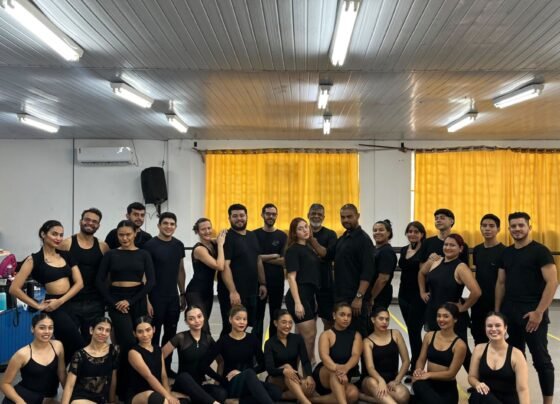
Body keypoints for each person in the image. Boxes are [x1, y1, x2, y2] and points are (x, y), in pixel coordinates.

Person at [495, 212, 558, 404]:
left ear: (529, 227)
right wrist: (497, 312)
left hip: (532, 313)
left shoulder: (541, 251)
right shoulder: (506, 253)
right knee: (514, 358)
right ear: (509, 229)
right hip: (509, 312)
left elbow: (552, 282)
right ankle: (517, 398)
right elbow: (501, 283)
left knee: (541, 360)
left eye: (521, 225)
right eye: (513, 226)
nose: (517, 229)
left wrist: (539, 312)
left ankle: (548, 402)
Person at [9, 220, 84, 363]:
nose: (58, 238)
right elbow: (14, 288)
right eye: (54, 234)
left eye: (61, 235)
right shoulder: (34, 259)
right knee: (78, 344)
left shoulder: (66, 255)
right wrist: (37, 305)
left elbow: (79, 283)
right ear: (43, 234)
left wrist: (60, 301)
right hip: (53, 307)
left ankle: (60, 375)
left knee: (67, 348)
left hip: (68, 303)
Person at [95, 220, 155, 399]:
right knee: (127, 342)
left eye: (128, 234)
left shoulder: (144, 254)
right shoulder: (111, 254)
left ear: (135, 233)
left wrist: (131, 301)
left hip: (137, 299)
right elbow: (99, 280)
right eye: (121, 235)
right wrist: (114, 302)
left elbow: (151, 281)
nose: (125, 238)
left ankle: (139, 385)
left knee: (140, 341)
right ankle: (122, 388)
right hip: (116, 300)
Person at [419, 233, 480, 371]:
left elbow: (476, 292)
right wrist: (422, 292)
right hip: (434, 312)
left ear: (460, 249)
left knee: (463, 351)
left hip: (452, 316)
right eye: (446, 244)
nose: (448, 247)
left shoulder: (461, 267)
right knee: (435, 347)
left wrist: (463, 308)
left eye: (452, 245)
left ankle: (477, 380)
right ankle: (437, 376)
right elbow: (421, 273)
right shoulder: (435, 261)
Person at [202, 305, 282, 404]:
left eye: (244, 319)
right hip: (232, 383)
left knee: (276, 392)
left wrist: (242, 373)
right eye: (238, 319)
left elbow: (263, 365)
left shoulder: (252, 339)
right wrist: (221, 379)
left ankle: (238, 402)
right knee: (249, 374)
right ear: (230, 319)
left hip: (250, 381)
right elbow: (204, 365)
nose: (242, 322)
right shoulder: (223, 341)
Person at [144, 212, 186, 375]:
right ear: (159, 226)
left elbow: (180, 270)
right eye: (165, 223)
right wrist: (147, 299)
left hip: (172, 297)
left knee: (170, 335)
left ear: (175, 226)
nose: (169, 226)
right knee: (153, 335)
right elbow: (144, 274)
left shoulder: (179, 245)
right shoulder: (150, 245)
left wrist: (182, 293)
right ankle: (152, 369)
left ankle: (166, 368)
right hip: (155, 297)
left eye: (172, 224)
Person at [325, 204, 375, 337]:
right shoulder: (343, 238)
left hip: (354, 299)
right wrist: (311, 239)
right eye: (343, 217)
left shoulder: (364, 240)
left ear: (357, 216)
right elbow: (327, 254)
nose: (345, 220)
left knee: (358, 335)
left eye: (349, 217)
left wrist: (359, 298)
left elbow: (367, 273)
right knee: (343, 335)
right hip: (341, 296)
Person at [59, 207, 110, 341]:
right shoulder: (66, 244)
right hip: (70, 301)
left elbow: (107, 275)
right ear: (80, 221)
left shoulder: (103, 247)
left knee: (92, 342)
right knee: (69, 341)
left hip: (95, 302)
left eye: (94, 221)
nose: (90, 223)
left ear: (98, 225)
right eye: (87, 219)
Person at [217, 204, 266, 335]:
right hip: (234, 293)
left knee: (245, 326)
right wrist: (233, 291)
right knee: (230, 328)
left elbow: (257, 260)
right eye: (235, 216)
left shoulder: (252, 235)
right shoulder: (227, 238)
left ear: (246, 217)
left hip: (251, 291)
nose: (239, 218)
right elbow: (225, 266)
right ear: (229, 218)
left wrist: (262, 283)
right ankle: (224, 349)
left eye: (242, 215)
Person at [162, 305, 226, 404]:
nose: (197, 321)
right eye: (191, 319)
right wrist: (166, 386)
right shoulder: (180, 337)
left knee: (221, 393)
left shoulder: (208, 339)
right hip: (183, 384)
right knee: (184, 376)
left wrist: (217, 381)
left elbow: (220, 361)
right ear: (186, 322)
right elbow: (159, 358)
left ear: (203, 317)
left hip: (200, 385)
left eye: (199, 316)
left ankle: (192, 398)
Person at [1, 313, 66, 404]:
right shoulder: (22, 354)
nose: (47, 331)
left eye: (50, 328)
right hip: (23, 397)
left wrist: (69, 396)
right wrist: (20, 402)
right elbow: (4, 384)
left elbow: (62, 373)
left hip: (48, 399)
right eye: (42, 328)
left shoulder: (58, 346)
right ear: (32, 329)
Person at [468, 312, 530, 404]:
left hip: (508, 401)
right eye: (489, 326)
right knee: (477, 395)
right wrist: (477, 384)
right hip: (487, 398)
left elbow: (522, 389)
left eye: (498, 325)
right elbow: (472, 377)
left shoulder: (517, 355)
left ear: (505, 328)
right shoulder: (479, 349)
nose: (493, 329)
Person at [412, 303, 467, 404]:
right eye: (439, 316)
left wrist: (428, 374)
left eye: (446, 316)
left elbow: (451, 374)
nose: (441, 319)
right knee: (417, 383)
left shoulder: (460, 345)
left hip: (446, 389)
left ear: (455, 319)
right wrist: (419, 370)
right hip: (428, 386)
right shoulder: (429, 336)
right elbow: (421, 359)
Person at [284, 217, 321, 363]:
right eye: (300, 228)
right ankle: (305, 371)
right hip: (299, 296)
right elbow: (291, 278)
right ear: (294, 233)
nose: (305, 230)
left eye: (306, 226)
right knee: (309, 336)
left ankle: (299, 368)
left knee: (303, 337)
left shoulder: (309, 248)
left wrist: (314, 299)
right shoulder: (293, 250)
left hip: (309, 296)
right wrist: (298, 303)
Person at [61, 317, 120, 404]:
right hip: (81, 399)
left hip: (102, 399)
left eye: (107, 330)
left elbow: (113, 380)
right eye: (100, 329)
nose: (103, 333)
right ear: (91, 330)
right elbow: (69, 386)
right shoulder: (79, 355)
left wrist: (112, 401)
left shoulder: (113, 351)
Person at [312, 302, 361, 404]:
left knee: (353, 394)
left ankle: (311, 400)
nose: (346, 318)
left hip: (347, 373)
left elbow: (355, 356)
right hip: (327, 373)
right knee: (335, 374)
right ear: (334, 315)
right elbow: (324, 357)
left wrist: (346, 368)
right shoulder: (326, 335)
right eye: (342, 315)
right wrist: (337, 369)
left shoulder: (356, 335)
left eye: (349, 315)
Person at [360, 306, 410, 404]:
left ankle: (365, 397)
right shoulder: (367, 341)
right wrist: (380, 381)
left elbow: (406, 361)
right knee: (372, 383)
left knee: (403, 396)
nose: (384, 322)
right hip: (372, 380)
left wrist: (397, 380)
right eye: (381, 319)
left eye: (387, 319)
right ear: (373, 320)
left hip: (391, 380)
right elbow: (370, 368)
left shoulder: (395, 334)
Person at [264, 309, 315, 404]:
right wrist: (284, 370)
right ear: (275, 323)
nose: (287, 326)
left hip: (292, 381)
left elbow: (305, 361)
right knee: (287, 368)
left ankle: (282, 396)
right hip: (276, 379)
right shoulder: (269, 343)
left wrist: (309, 376)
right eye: (284, 322)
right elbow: (270, 369)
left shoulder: (297, 339)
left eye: (290, 322)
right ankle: (305, 401)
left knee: (310, 387)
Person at [185, 218, 226, 332]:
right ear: (197, 231)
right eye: (203, 229)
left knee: (203, 325)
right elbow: (219, 266)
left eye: (209, 228)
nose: (207, 231)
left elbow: (224, 237)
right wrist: (220, 245)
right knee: (203, 327)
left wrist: (225, 233)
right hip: (195, 292)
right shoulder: (199, 249)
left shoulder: (212, 243)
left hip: (208, 291)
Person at [254, 203, 287, 343]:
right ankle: (256, 350)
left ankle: (273, 348)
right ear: (262, 215)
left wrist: (261, 258)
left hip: (277, 282)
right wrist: (273, 255)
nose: (271, 216)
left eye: (273, 214)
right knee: (257, 317)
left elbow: (284, 261)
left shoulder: (282, 236)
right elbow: (253, 258)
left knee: (275, 315)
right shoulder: (254, 235)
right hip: (257, 283)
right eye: (268, 214)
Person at [127, 316, 180, 404]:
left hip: (157, 390)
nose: (145, 335)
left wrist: (168, 393)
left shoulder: (158, 349)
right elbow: (149, 376)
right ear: (134, 333)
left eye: (148, 330)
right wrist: (167, 396)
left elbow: (163, 375)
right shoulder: (133, 352)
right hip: (139, 395)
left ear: (154, 329)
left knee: (183, 399)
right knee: (158, 398)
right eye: (140, 332)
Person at [397, 221, 427, 375]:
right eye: (410, 231)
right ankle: (416, 364)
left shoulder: (425, 251)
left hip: (418, 296)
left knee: (414, 332)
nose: (412, 234)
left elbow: (425, 273)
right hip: (403, 294)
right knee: (411, 331)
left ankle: (417, 366)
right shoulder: (404, 250)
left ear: (422, 234)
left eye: (416, 232)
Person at [471, 214, 505, 345]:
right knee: (478, 337)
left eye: (491, 226)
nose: (487, 229)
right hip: (479, 303)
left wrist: (497, 309)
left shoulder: (504, 251)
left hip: (496, 303)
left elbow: (502, 282)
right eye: (484, 226)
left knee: (497, 339)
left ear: (498, 229)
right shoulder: (477, 250)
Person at [307, 203, 338, 330]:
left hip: (325, 284)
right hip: (306, 284)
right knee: (306, 323)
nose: (316, 216)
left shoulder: (330, 234)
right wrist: (320, 255)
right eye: (313, 213)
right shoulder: (300, 233)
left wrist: (313, 248)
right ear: (308, 215)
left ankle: (327, 343)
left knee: (328, 321)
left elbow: (328, 255)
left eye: (319, 214)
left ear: (324, 217)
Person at [419, 208, 469, 274]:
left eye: (442, 218)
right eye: (436, 218)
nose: (438, 220)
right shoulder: (427, 242)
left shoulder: (461, 244)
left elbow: (465, 270)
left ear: (451, 221)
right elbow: (421, 268)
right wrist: (429, 260)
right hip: (431, 279)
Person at [370, 220, 397, 310]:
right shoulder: (375, 249)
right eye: (375, 230)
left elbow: (383, 279)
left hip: (379, 295)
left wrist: (371, 298)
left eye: (381, 230)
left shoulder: (387, 252)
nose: (377, 232)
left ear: (388, 233)